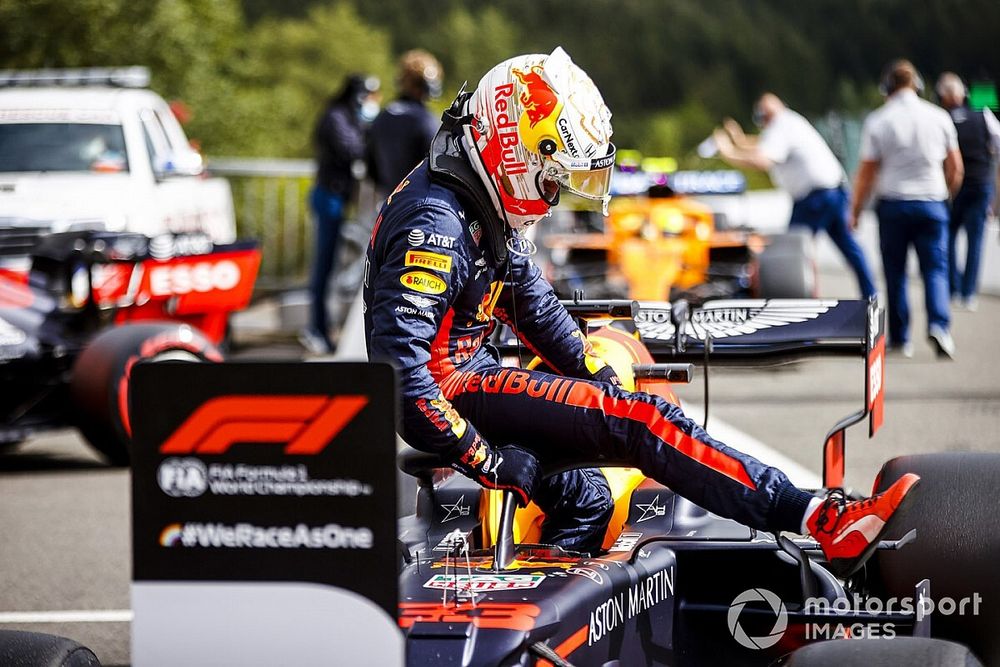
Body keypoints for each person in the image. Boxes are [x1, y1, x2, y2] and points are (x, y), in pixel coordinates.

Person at [364, 48, 919, 572]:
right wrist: (484, 457)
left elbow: (529, 299)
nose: (554, 195)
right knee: (643, 424)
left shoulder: (474, 191)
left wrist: (589, 367)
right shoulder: (434, 225)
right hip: (449, 388)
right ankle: (815, 516)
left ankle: (538, 619)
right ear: (513, 149)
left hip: (468, 376)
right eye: (551, 175)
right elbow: (402, 381)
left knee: (589, 501)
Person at [850, 60, 964, 359]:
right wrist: (944, 196)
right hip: (932, 203)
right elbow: (956, 169)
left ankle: (901, 338)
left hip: (894, 206)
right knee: (936, 269)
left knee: (896, 273)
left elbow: (866, 173)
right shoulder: (939, 117)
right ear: (919, 85)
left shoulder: (879, 120)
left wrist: (856, 210)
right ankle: (940, 326)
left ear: (887, 88)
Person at [713, 94, 878, 300]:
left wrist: (729, 153)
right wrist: (738, 140)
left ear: (764, 117)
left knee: (789, 256)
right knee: (849, 249)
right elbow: (762, 144)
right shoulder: (789, 122)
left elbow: (762, 160)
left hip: (815, 199)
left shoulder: (780, 126)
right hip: (833, 191)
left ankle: (800, 313)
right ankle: (871, 296)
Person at [303, 73, 381, 354]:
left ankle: (322, 327)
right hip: (328, 198)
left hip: (337, 199)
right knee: (323, 267)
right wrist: (373, 132)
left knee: (331, 265)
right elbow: (352, 148)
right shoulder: (335, 117)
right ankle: (315, 328)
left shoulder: (346, 117)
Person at [936, 72, 1000, 312]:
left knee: (948, 238)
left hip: (952, 187)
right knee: (976, 241)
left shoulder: (942, 118)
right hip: (981, 185)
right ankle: (969, 292)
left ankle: (953, 289)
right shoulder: (983, 114)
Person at [368, 50, 443, 200]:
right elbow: (440, 167)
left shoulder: (381, 118)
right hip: (419, 204)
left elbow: (371, 168)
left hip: (388, 204)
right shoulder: (425, 120)